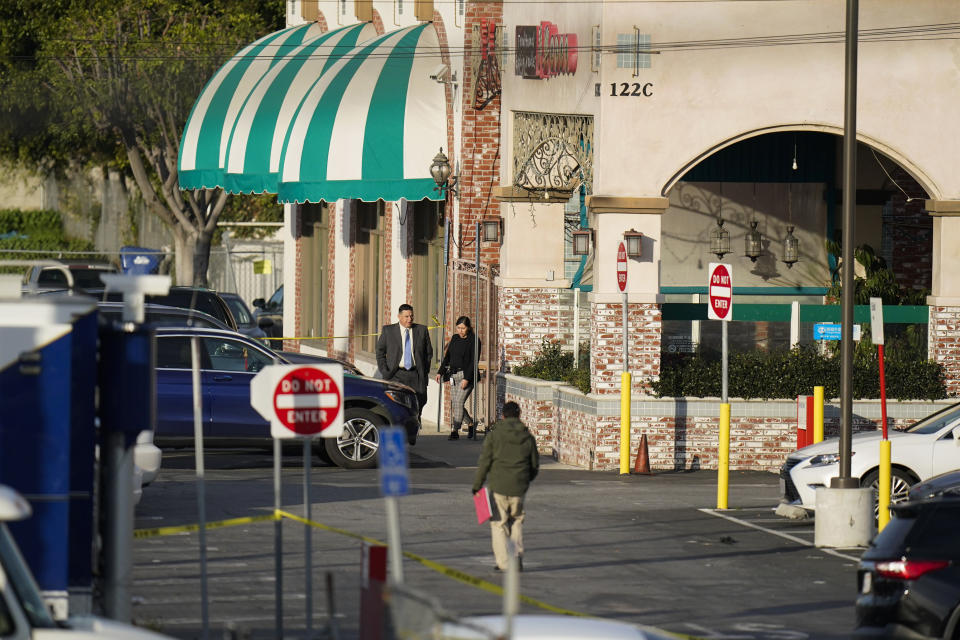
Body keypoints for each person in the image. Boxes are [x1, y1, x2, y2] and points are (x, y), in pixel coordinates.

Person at [472, 401, 539, 572]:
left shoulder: (494, 436)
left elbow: (485, 461)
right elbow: (534, 465)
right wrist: (525, 480)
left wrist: (477, 485)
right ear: (519, 415)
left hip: (498, 486)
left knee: (499, 523)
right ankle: (516, 557)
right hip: (519, 486)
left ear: (503, 416)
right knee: (516, 520)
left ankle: (503, 562)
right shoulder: (527, 436)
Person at [376, 303, 433, 418]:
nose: (410, 319)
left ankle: (415, 427)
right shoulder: (389, 331)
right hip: (396, 374)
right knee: (397, 407)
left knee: (418, 405)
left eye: (411, 316)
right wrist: (385, 371)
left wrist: (423, 371)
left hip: (415, 375)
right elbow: (380, 351)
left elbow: (429, 353)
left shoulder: (421, 330)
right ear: (399, 317)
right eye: (406, 316)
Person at [436, 316, 481, 440]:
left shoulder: (474, 340)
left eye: (463, 328)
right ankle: (471, 423)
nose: (460, 331)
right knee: (455, 403)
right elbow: (448, 357)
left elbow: (473, 361)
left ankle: (455, 430)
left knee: (459, 401)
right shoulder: (455, 338)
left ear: (468, 328)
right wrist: (440, 372)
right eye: (458, 328)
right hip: (454, 375)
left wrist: (467, 378)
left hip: (467, 376)